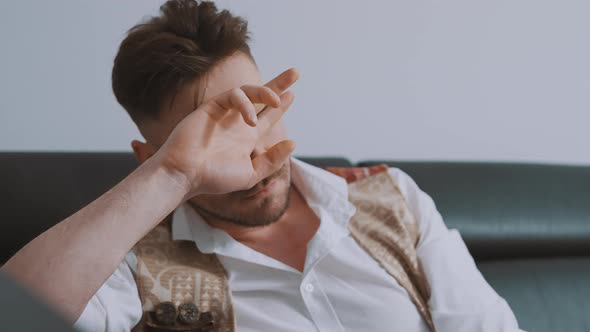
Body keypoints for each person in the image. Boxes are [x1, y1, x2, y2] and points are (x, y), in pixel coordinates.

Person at [1, 1, 524, 331]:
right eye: (212, 136)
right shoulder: (130, 262)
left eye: (255, 114)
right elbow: (14, 313)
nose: (250, 160)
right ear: (148, 156)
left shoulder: (391, 196)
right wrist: (174, 174)